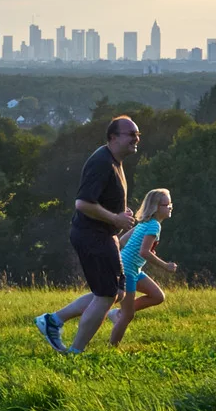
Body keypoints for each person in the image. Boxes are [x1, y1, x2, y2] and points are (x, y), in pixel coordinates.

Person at [34, 115, 139, 354]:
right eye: (131, 134)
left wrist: (120, 215)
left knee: (117, 292)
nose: (136, 138)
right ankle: (75, 351)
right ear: (113, 137)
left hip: (104, 235)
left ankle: (53, 320)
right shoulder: (102, 162)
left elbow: (101, 200)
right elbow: (82, 203)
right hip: (93, 235)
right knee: (106, 294)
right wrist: (115, 218)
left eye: (138, 134)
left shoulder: (114, 161)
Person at [108, 188, 176, 347]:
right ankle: (111, 348)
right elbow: (144, 252)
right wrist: (166, 266)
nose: (170, 207)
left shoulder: (146, 223)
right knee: (128, 315)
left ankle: (117, 314)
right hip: (128, 270)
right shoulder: (153, 226)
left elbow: (123, 240)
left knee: (158, 296)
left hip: (133, 268)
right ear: (156, 207)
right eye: (167, 204)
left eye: (170, 203)